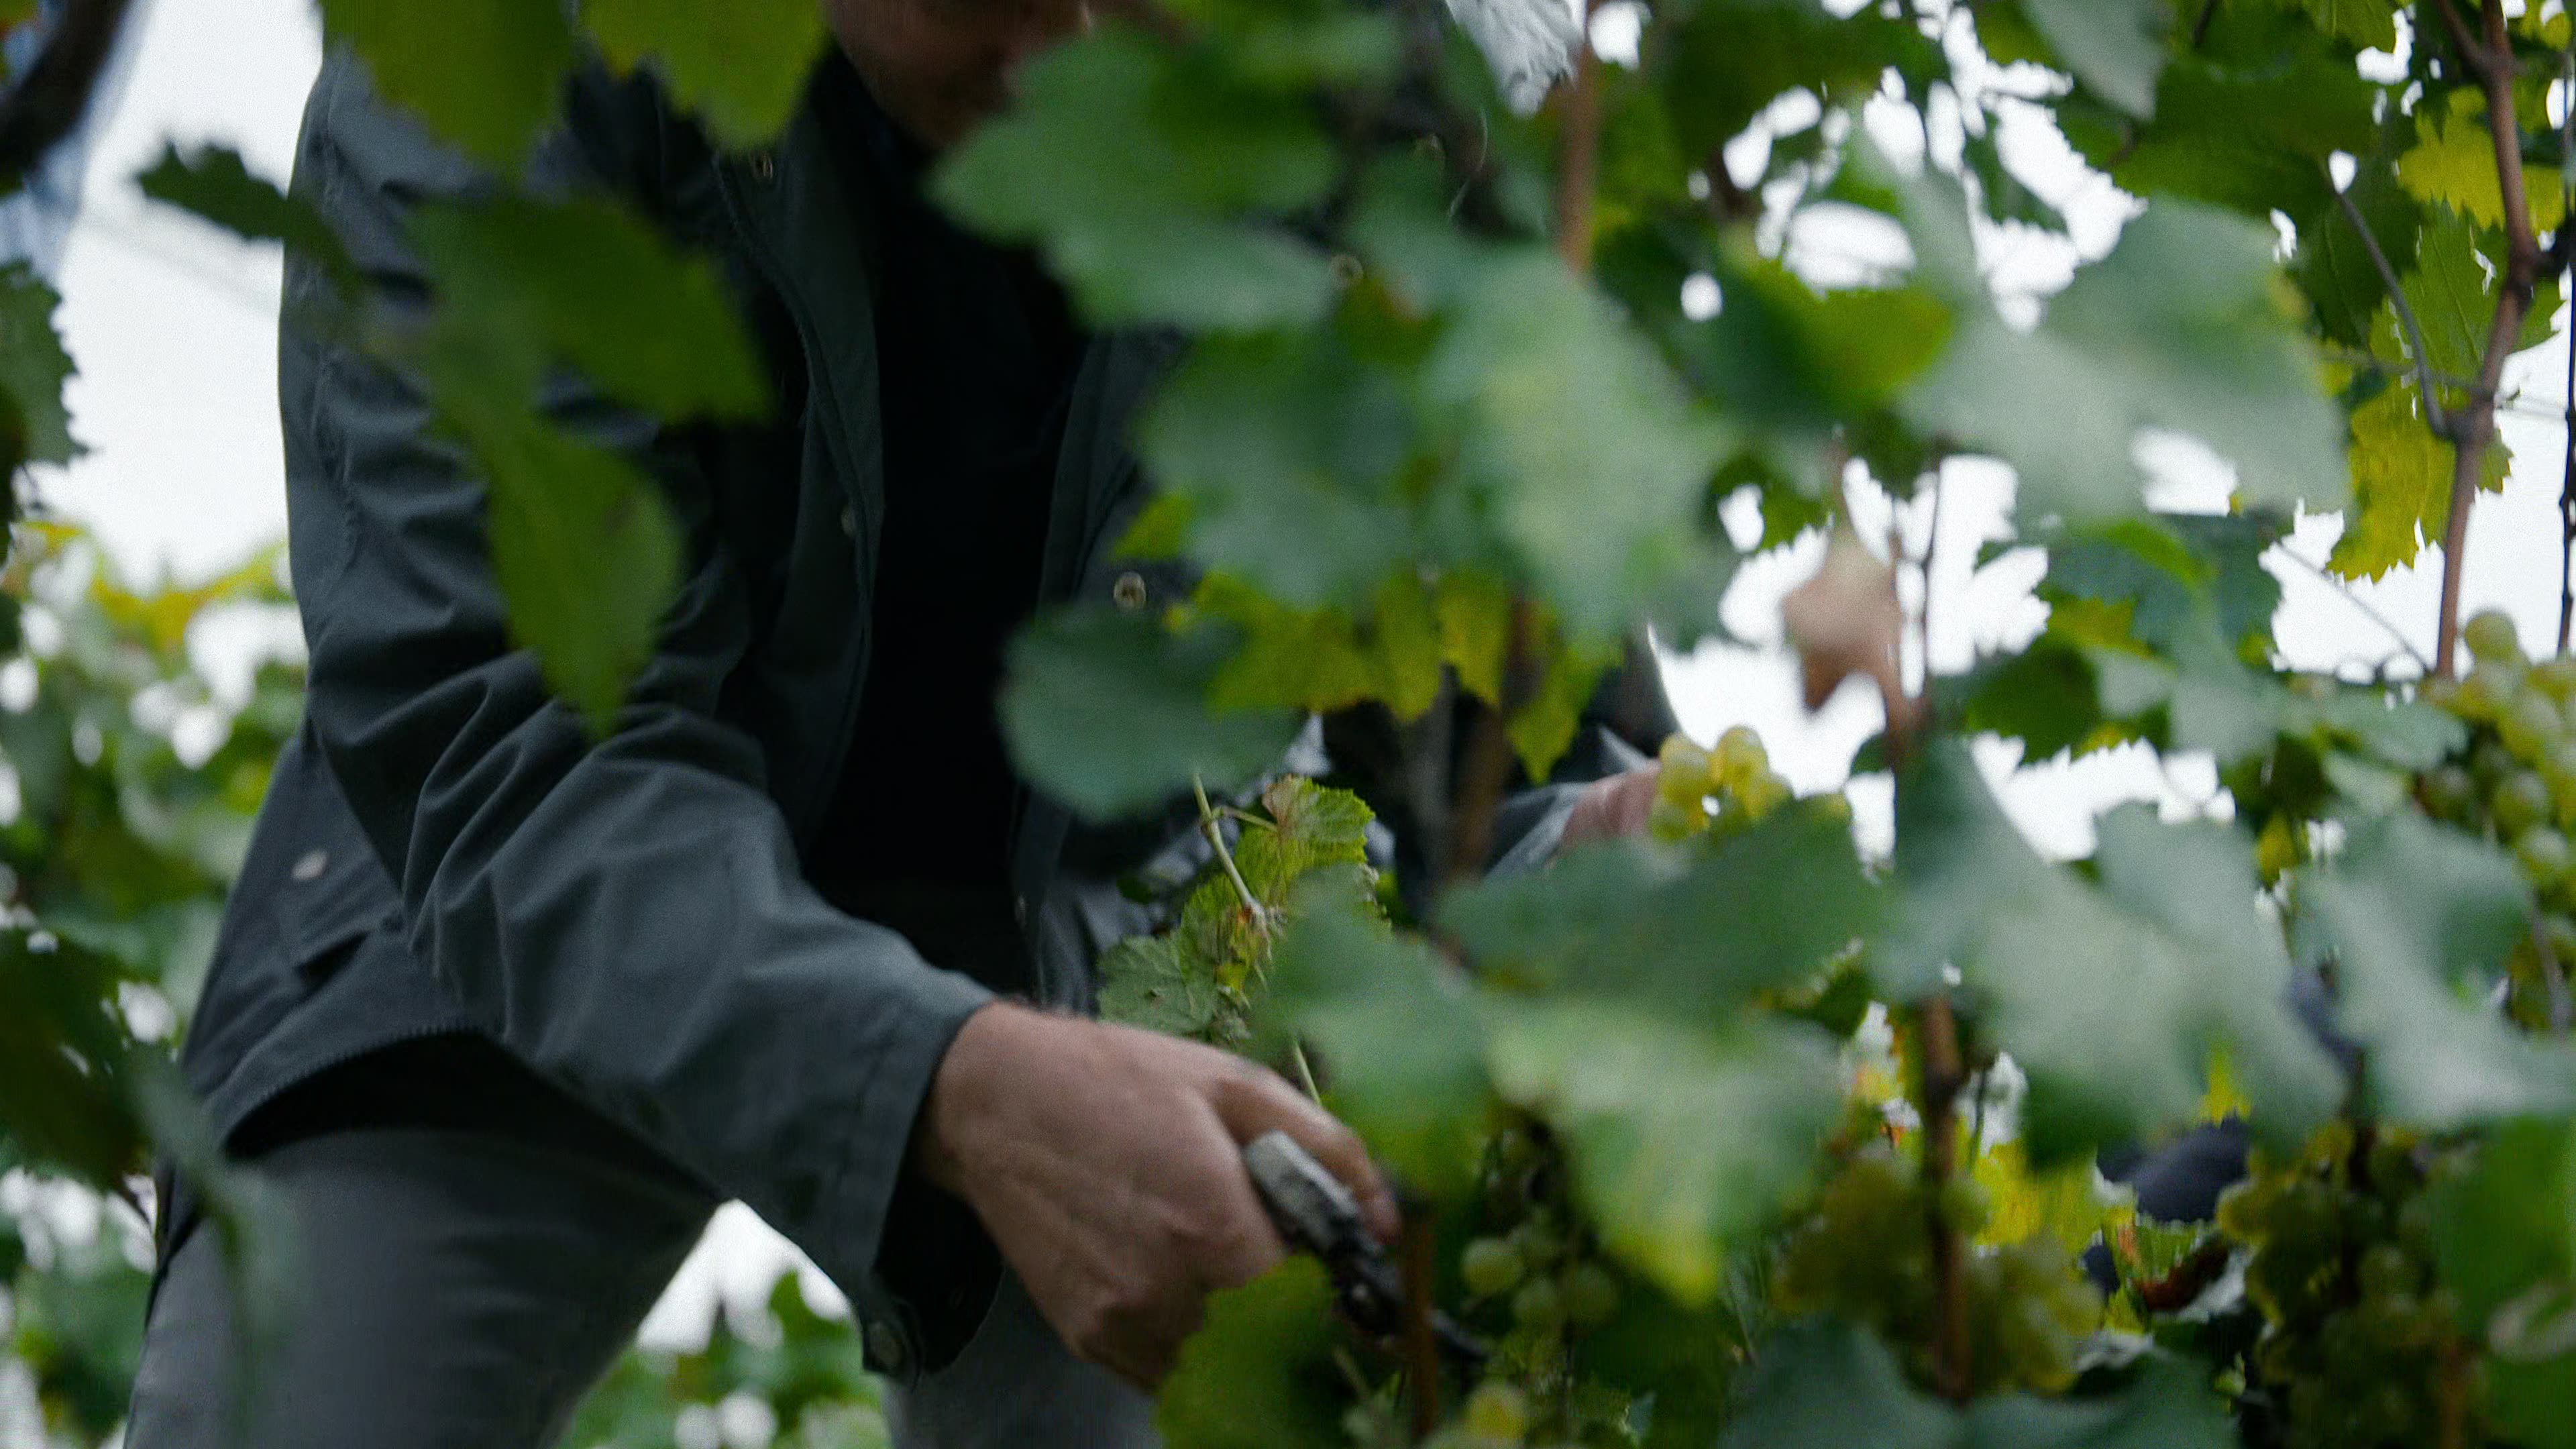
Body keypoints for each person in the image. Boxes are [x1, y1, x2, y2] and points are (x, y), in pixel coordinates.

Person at [119, 0, 1670, 1444]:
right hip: (549, 905)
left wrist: (1584, 876)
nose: (1070, 50)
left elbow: (1488, 731)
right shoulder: (492, 53)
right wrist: (941, 1082)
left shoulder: (1404, 83)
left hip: (1120, 963)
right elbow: (505, 742)